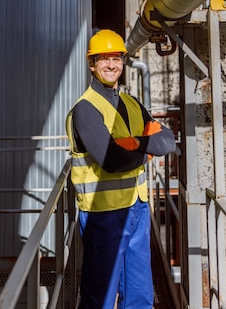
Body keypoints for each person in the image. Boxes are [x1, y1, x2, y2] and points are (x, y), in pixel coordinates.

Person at [66, 29, 176, 309]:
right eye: (104, 59)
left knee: (140, 291)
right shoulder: (86, 109)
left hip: (137, 209)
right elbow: (112, 160)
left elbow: (167, 140)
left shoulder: (131, 104)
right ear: (92, 64)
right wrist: (146, 153)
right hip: (103, 214)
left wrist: (136, 142)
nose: (112, 65)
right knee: (100, 295)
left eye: (116, 58)